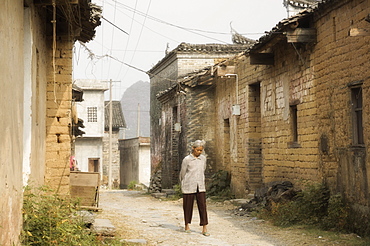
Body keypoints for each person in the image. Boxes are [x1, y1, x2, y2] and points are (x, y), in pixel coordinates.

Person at [179, 140, 210, 236]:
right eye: (198, 150)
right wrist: (182, 184)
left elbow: (203, 169)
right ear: (193, 149)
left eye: (201, 150)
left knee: (203, 206)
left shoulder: (203, 159)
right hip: (189, 185)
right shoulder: (187, 160)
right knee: (188, 206)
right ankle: (187, 225)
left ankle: (204, 227)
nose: (199, 152)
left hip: (200, 185)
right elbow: (182, 173)